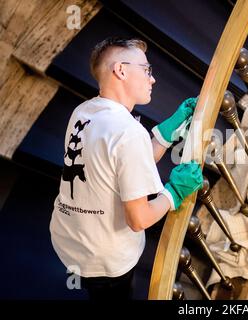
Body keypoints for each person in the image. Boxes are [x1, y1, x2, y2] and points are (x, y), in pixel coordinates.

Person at [49, 37, 203, 300]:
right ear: (121, 70)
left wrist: (165, 134)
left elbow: (124, 166)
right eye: (146, 70)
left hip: (67, 236)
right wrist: (174, 192)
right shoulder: (128, 132)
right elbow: (139, 219)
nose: (152, 79)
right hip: (105, 259)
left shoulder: (84, 111)